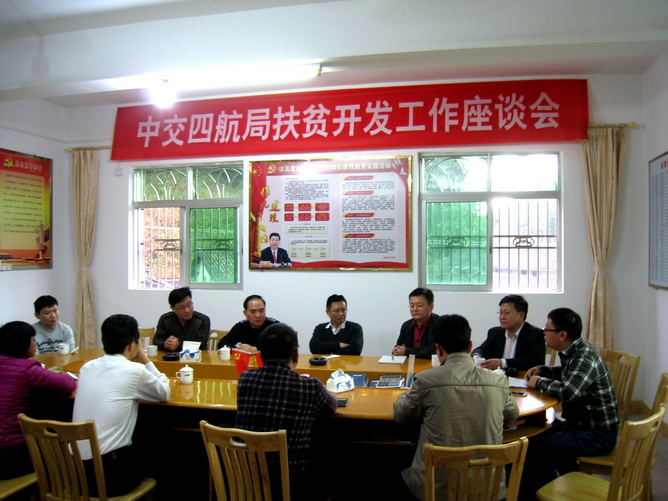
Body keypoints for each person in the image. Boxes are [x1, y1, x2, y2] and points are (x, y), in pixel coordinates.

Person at [394, 314, 519, 500]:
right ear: (470, 346)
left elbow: (402, 415)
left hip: (436, 489)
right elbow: (511, 416)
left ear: (438, 349)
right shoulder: (498, 381)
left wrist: (404, 395)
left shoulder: (426, 381)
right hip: (487, 489)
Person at [519, 308, 619, 500]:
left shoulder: (584, 356)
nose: (544, 333)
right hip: (580, 425)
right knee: (535, 435)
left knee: (535, 449)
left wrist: (539, 382)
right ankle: (568, 482)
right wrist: (543, 370)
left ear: (562, 335)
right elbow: (569, 374)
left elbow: (569, 392)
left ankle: (538, 495)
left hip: (597, 434)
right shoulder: (574, 349)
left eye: (547, 329)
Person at [236, 322, 337, 500]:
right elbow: (331, 406)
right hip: (292, 485)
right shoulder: (310, 386)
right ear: (295, 354)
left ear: (261, 355)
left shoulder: (245, 379)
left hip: (248, 481)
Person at [73, 314, 170, 496]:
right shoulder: (134, 370)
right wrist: (146, 360)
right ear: (132, 345)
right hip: (110, 479)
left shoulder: (87, 368)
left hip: (77, 474)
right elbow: (163, 392)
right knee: (161, 457)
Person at [0, 321, 77, 479]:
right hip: (9, 456)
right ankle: (64, 479)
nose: (35, 344)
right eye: (33, 340)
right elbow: (68, 385)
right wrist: (47, 373)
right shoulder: (27, 370)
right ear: (23, 344)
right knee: (60, 422)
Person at [472, 294, 545, 371]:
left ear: (521, 315)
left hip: (522, 376)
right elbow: (480, 350)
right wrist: (477, 357)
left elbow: (536, 361)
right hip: (497, 376)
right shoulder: (495, 333)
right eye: (501, 312)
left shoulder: (535, 334)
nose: (502, 317)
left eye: (507, 313)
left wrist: (502, 363)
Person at [153, 286, 210, 352]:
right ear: (172, 308)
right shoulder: (165, 319)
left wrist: (178, 345)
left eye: (189, 305)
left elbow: (200, 344)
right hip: (171, 356)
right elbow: (157, 340)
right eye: (182, 307)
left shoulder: (202, 320)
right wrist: (168, 344)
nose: (187, 310)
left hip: (196, 357)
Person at [392, 287, 438, 359]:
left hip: (430, 364)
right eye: (412, 306)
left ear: (431, 307)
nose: (415, 309)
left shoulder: (440, 325)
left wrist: (406, 351)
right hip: (408, 364)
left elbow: (434, 351)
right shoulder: (406, 325)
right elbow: (400, 346)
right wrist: (397, 350)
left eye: (419, 306)